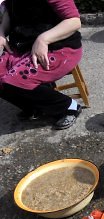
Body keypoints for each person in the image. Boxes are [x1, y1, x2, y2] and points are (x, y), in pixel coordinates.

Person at [0, 0, 83, 129]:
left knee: (14, 81)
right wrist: (1, 32)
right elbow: (9, 12)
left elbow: (74, 21)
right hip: (21, 46)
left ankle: (68, 106)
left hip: (57, 47)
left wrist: (43, 39)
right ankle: (34, 107)